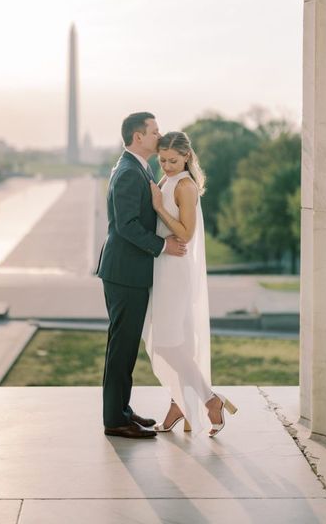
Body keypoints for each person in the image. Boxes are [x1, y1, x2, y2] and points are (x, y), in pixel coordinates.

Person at [96, 112, 187, 439]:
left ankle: (122, 411)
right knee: (122, 346)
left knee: (126, 345)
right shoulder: (128, 173)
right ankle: (115, 420)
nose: (159, 136)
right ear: (138, 137)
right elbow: (127, 225)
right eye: (154, 131)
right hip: (124, 273)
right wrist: (162, 245)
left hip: (129, 271)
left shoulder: (138, 167)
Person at [142, 131, 238, 437]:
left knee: (166, 342)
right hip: (163, 267)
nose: (167, 165)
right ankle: (179, 403)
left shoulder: (185, 186)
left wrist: (158, 207)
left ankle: (210, 400)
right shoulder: (167, 181)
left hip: (175, 270)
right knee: (177, 341)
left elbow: (185, 234)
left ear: (186, 156)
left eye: (173, 160)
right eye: (162, 160)